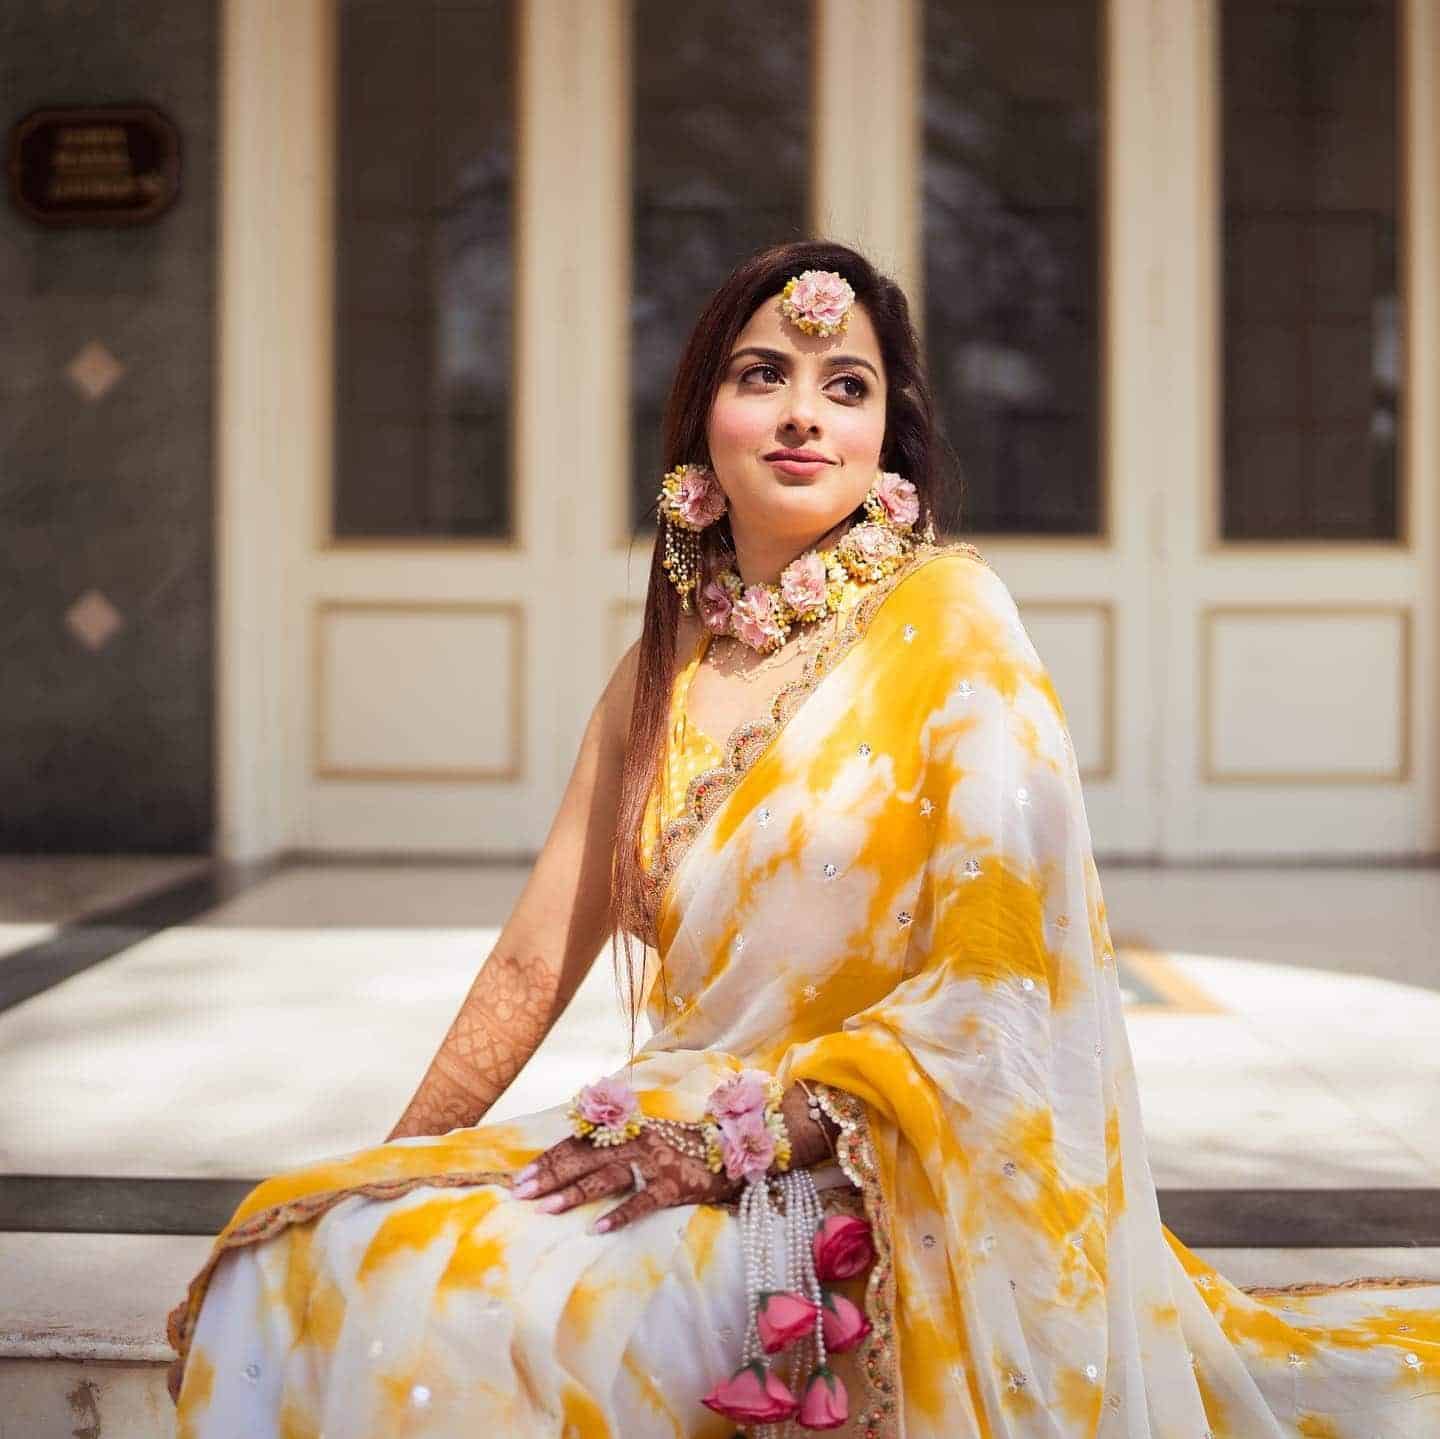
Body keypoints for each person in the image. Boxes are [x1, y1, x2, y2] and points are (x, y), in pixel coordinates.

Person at [166, 240, 1439, 1437]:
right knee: (302, 1252)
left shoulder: (954, 624)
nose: (802, 414)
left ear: (888, 436)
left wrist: (754, 1142)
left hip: (870, 1178)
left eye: (846, 385)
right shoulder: (655, 673)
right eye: (760, 374)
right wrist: (398, 1161)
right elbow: (528, 962)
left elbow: (1009, 994)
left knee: (489, 1307)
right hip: (660, 1131)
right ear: (697, 427)